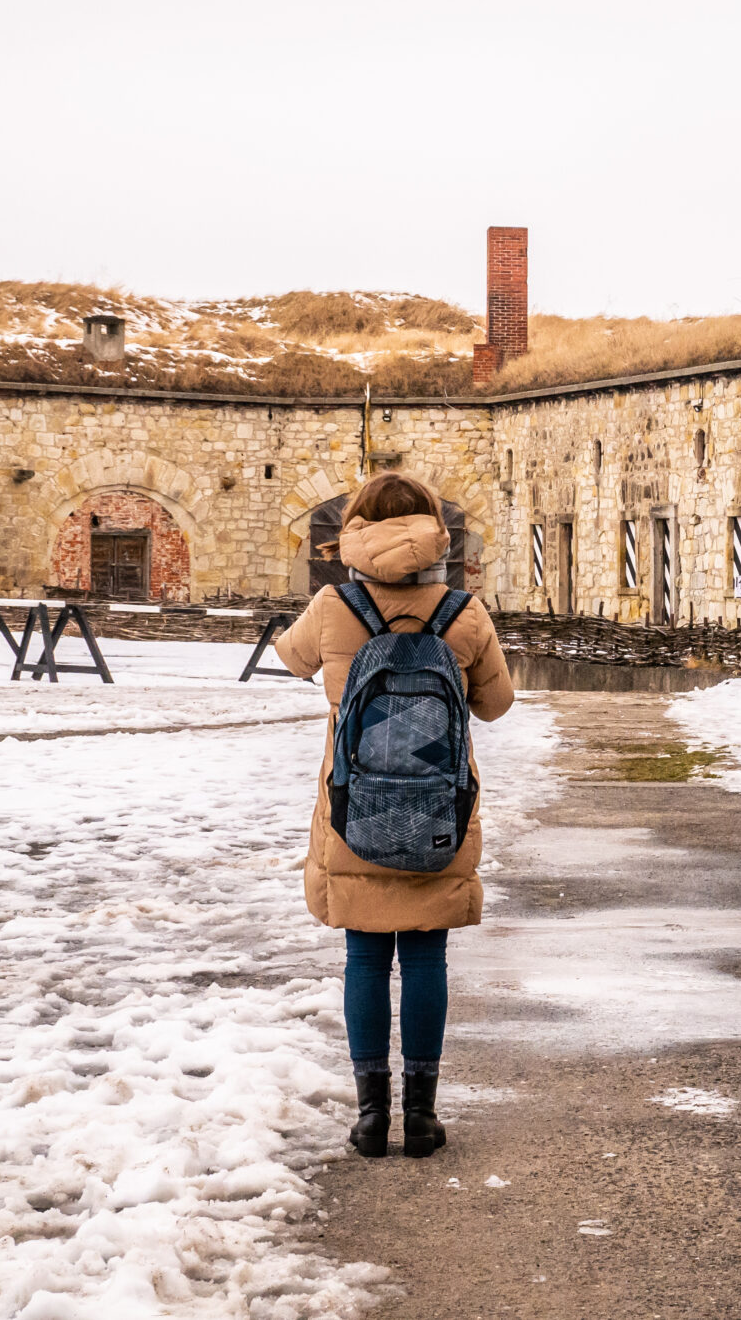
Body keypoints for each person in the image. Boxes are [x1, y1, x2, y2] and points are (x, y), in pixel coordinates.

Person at [276, 471, 513, 1159]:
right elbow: (496, 706)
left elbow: (290, 661)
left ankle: (371, 1116)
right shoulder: (463, 612)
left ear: (357, 530)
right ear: (432, 531)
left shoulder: (332, 607)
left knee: (365, 955)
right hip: (439, 808)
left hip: (355, 807)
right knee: (427, 954)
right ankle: (425, 1115)